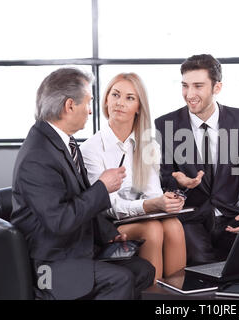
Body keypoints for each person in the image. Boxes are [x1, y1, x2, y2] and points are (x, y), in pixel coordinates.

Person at [11, 68, 155, 300]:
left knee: (143, 270)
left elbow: (76, 199)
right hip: (51, 264)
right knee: (122, 279)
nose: (90, 110)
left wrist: (109, 234)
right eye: (88, 103)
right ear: (69, 106)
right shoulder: (37, 156)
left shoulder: (63, 142)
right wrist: (102, 187)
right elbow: (59, 221)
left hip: (74, 249)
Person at [154, 54, 239, 266]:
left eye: (198, 86)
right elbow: (163, 179)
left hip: (232, 212)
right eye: (185, 86)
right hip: (191, 218)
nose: (190, 94)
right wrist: (178, 182)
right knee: (200, 261)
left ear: (217, 88)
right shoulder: (166, 124)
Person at [81, 73, 186, 282]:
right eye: (115, 95)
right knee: (153, 229)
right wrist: (149, 205)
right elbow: (106, 206)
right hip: (109, 225)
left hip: (138, 216)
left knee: (174, 225)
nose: (120, 103)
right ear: (106, 100)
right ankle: (151, 295)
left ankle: (176, 299)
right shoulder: (90, 149)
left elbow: (153, 193)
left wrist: (166, 203)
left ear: (139, 107)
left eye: (130, 98)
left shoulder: (147, 145)